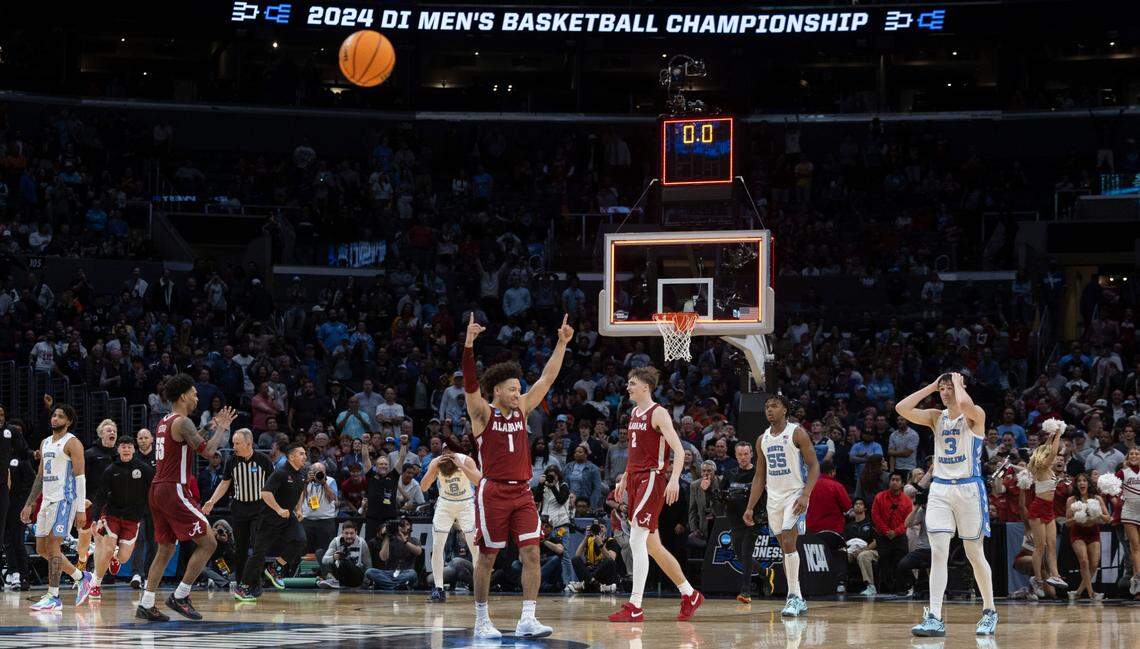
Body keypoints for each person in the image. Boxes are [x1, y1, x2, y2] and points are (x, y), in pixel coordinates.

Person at [463, 312, 572, 639]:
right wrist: (469, 344)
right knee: (487, 556)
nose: (518, 392)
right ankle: (482, 619)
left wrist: (562, 343)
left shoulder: (523, 407)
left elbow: (547, 379)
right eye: (512, 389)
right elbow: (470, 385)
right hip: (492, 491)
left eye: (518, 389)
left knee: (532, 552)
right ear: (497, 391)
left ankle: (528, 618)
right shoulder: (482, 413)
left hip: (522, 493)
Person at [897, 372, 997, 637]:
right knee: (938, 552)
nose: (944, 392)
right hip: (940, 488)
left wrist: (959, 385)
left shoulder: (975, 414)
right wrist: (931, 385)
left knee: (974, 553)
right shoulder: (935, 417)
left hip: (969, 488)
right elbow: (902, 408)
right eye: (941, 389)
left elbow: (964, 406)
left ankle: (989, 611)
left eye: (948, 388)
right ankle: (935, 616)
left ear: (960, 388)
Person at [137, 374, 237, 621]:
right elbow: (209, 451)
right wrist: (222, 428)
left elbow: (184, 443)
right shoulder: (182, 422)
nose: (196, 397)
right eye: (193, 393)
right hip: (174, 488)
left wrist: (207, 428)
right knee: (210, 542)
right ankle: (181, 595)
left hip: (158, 489)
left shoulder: (164, 421)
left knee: (166, 548)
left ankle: (146, 603)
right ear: (183, 396)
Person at [608, 366, 703, 622]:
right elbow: (633, 453)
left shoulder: (658, 413)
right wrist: (625, 479)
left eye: (632, 383)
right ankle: (689, 593)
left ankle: (635, 606)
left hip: (652, 478)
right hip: (636, 479)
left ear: (645, 387)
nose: (627, 387)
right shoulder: (633, 413)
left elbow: (680, 452)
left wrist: (673, 480)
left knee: (636, 540)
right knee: (653, 546)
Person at [742, 395, 820, 618]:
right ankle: (798, 597)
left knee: (788, 541)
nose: (769, 410)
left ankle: (793, 597)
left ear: (785, 409)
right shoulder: (762, 439)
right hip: (773, 499)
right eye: (767, 406)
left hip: (795, 495)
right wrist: (750, 507)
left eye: (774, 406)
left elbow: (814, 466)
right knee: (786, 550)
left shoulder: (797, 433)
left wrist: (806, 494)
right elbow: (759, 476)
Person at [19, 401, 95, 611]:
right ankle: (81, 576)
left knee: (53, 546)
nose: (55, 419)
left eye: (60, 416)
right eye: (54, 415)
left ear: (68, 421)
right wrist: (29, 504)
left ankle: (54, 597)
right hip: (47, 500)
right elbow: (40, 476)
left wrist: (80, 508)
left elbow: (80, 478)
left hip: (65, 500)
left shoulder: (73, 443)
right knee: (41, 548)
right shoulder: (45, 443)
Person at [233, 444, 309, 601]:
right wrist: (279, 509)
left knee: (300, 540)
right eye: (301, 454)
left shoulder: (301, 474)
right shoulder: (280, 473)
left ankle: (275, 568)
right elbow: (265, 493)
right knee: (258, 555)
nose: (305, 456)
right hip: (269, 519)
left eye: (305, 454)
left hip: (288, 517)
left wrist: (299, 509)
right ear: (291, 456)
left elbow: (300, 491)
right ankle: (242, 588)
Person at [201, 428, 272, 587]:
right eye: (233, 443)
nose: (234, 446)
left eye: (237, 443)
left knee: (257, 547)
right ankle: (241, 584)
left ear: (249, 443)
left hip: (259, 508)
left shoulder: (264, 460)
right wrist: (211, 501)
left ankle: (255, 583)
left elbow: (273, 485)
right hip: (239, 509)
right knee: (240, 549)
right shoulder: (231, 461)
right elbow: (224, 483)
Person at [89, 435, 154, 600]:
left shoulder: (144, 469)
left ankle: (116, 559)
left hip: (133, 518)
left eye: (129, 446)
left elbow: (154, 492)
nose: (126, 449)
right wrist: (95, 519)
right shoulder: (111, 470)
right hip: (112, 515)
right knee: (108, 548)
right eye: (123, 447)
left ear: (134, 449)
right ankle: (95, 584)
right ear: (118, 450)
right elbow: (100, 496)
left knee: (124, 558)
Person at [420, 450, 483, 602]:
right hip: (445, 503)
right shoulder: (436, 463)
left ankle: (479, 586)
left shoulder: (466, 461)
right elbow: (423, 487)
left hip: (466, 502)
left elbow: (479, 481)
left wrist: (462, 466)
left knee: (474, 546)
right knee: (437, 545)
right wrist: (433, 469)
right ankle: (439, 588)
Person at [1024, 418, 1068, 593]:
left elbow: (1048, 447)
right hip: (1038, 507)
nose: (1054, 455)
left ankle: (1055, 575)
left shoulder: (1046, 468)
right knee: (1040, 546)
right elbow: (1052, 450)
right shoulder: (1042, 466)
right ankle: (1037, 579)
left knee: (1052, 544)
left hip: (1049, 509)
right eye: (1049, 453)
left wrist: (1051, 435)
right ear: (1042, 456)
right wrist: (1058, 434)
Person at [720, 442, 761, 604]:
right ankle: (765, 573)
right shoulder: (729, 474)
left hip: (753, 519)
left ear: (751, 454)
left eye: (746, 454)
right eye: (740, 454)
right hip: (734, 519)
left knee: (746, 552)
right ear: (736, 456)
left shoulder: (759, 473)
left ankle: (745, 591)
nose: (743, 457)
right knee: (740, 554)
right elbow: (722, 496)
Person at [76, 418, 117, 572]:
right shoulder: (90, 454)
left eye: (114, 431)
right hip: (90, 501)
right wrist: (81, 499)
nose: (112, 432)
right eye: (108, 430)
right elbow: (79, 478)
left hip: (111, 504)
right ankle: (82, 558)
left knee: (103, 538)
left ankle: (96, 577)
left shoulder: (120, 455)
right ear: (101, 434)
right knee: (84, 540)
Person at [1065, 472, 1110, 599]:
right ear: (1076, 484)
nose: (1082, 483)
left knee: (1094, 564)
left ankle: (1078, 592)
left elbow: (1108, 519)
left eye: (1084, 480)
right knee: (1084, 561)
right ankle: (1091, 593)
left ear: (1088, 483)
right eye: (1079, 481)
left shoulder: (1097, 498)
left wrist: (1098, 514)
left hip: (1093, 532)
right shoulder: (1071, 500)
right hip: (1077, 532)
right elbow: (1067, 523)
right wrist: (1077, 517)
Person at [870, 472, 914, 596]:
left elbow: (907, 521)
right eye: (892, 479)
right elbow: (875, 516)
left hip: (899, 537)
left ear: (902, 483)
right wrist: (886, 531)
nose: (894, 482)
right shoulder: (880, 497)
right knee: (884, 562)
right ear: (889, 482)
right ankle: (885, 588)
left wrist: (895, 532)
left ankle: (900, 587)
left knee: (900, 562)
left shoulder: (906, 500)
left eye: (897, 480)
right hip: (883, 537)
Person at [365, 517, 422, 589]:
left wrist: (404, 540)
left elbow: (418, 552)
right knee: (369, 572)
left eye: (407, 524)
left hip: (405, 573)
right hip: (389, 573)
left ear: (410, 527)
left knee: (413, 574)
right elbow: (383, 557)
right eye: (401, 524)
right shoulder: (389, 539)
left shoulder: (414, 540)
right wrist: (387, 536)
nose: (404, 526)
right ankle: (396, 586)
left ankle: (387, 585)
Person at [301, 461, 340, 562]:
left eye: (321, 471)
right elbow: (300, 497)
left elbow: (332, 498)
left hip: (325, 521)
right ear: (310, 472)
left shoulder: (331, 481)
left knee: (325, 550)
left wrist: (324, 483)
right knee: (306, 550)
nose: (319, 474)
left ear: (325, 472)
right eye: (315, 471)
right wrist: (306, 482)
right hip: (307, 521)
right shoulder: (305, 481)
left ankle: (324, 573)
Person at [571, 519, 621, 593]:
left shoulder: (611, 541)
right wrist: (586, 538)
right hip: (591, 571)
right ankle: (597, 585)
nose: (599, 529)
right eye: (597, 527)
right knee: (575, 559)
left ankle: (585, 583)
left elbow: (611, 559)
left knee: (609, 561)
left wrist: (601, 544)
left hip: (603, 574)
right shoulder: (589, 540)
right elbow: (577, 555)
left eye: (602, 527)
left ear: (606, 529)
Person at [1116, 447, 1140, 596]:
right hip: (1129, 512)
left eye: (1137, 454)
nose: (1134, 455)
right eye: (1131, 453)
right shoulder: (1122, 473)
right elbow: (1108, 486)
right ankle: (1137, 579)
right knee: (1135, 547)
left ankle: (1136, 578)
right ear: (1127, 457)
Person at [319, 520, 371, 589]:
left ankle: (335, 583)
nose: (349, 536)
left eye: (351, 533)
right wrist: (333, 557)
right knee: (319, 552)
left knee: (344, 562)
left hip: (355, 575)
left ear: (356, 533)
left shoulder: (362, 543)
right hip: (339, 572)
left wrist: (365, 584)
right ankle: (332, 579)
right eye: (346, 533)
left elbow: (368, 565)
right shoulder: (336, 541)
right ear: (342, 533)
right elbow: (324, 560)